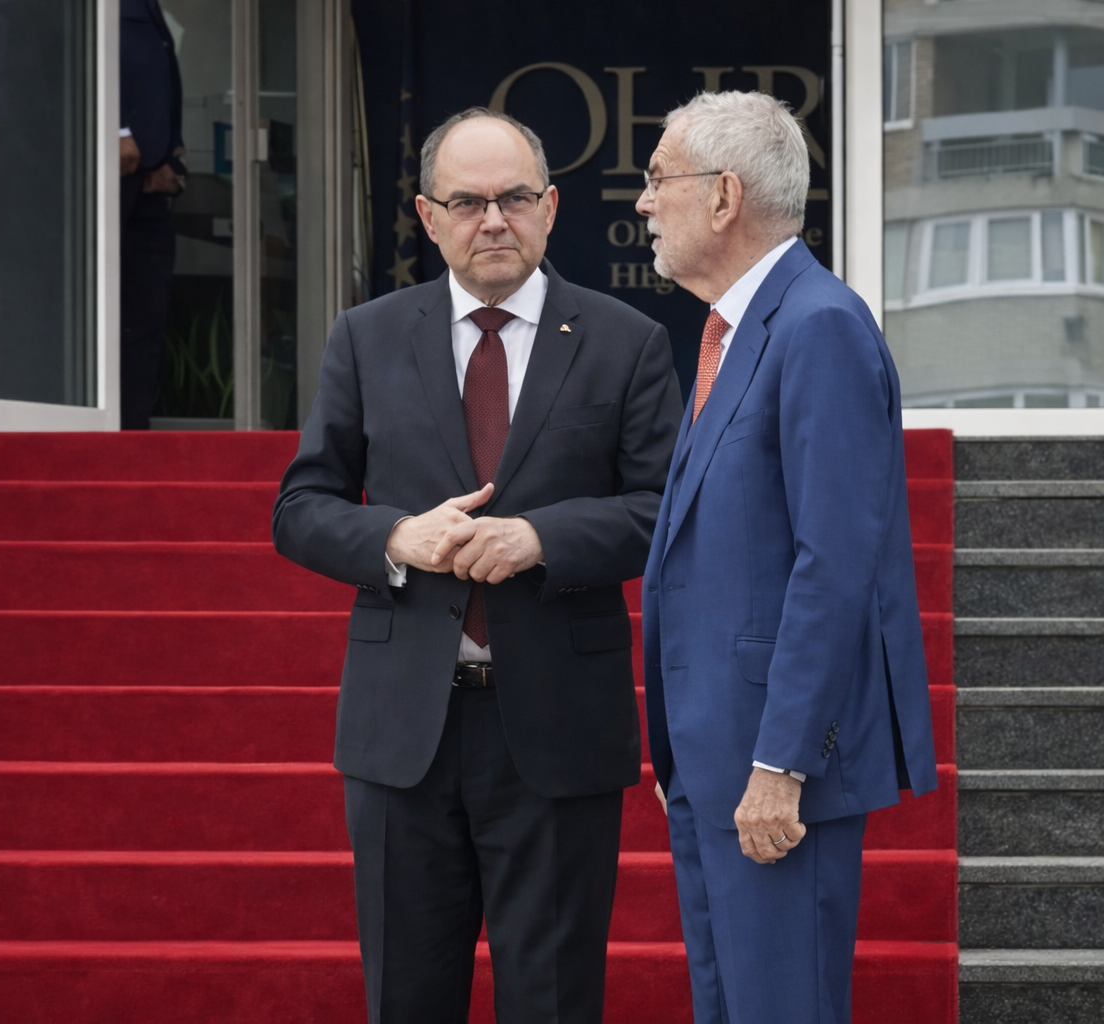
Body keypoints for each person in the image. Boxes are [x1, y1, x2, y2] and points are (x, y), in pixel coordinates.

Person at [273, 108, 682, 1024]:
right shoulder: (367, 337)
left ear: (551, 208)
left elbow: (667, 512)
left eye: (515, 199)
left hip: (558, 729)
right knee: (408, 999)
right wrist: (395, 538)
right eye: (467, 202)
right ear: (428, 216)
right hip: (404, 734)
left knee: (553, 1001)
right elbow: (300, 510)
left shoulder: (627, 340)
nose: (493, 220)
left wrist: (543, 538)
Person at [636, 91, 938, 1023]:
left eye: (658, 179)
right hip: (714, 757)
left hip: (772, 768)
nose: (644, 202)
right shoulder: (732, 333)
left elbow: (835, 565)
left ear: (723, 196)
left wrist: (783, 763)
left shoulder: (818, 326)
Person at [119, 0, 186, 430]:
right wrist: (113, 129)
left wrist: (172, 160)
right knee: (93, 314)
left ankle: (131, 436)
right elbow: (57, 58)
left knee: (144, 317)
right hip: (97, 182)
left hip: (149, 185)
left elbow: (158, 80)